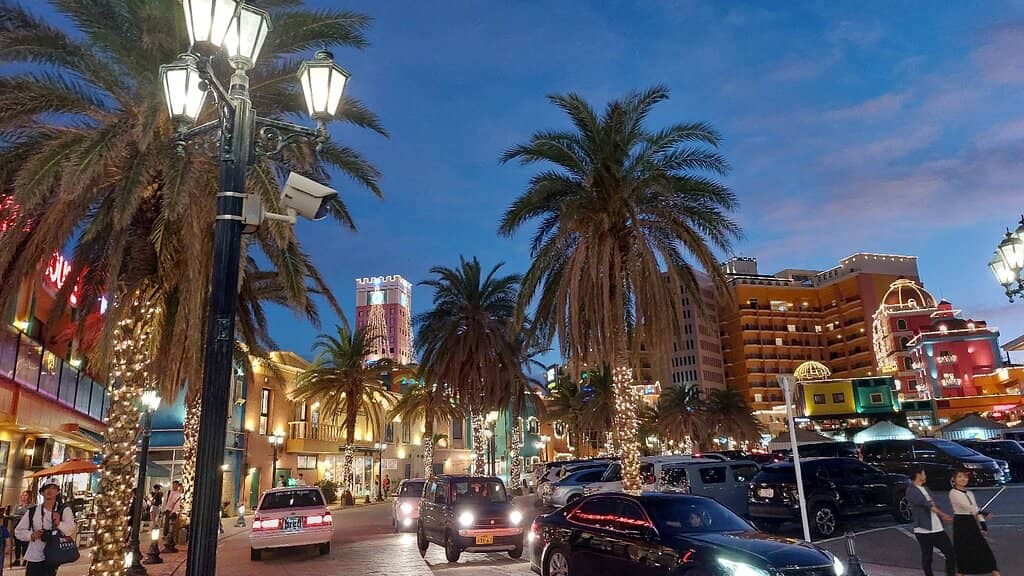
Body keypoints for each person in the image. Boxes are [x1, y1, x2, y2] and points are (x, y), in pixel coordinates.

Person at [14, 480, 77, 576]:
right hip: (35, 555)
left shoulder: (63, 510)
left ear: (58, 492)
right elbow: (18, 531)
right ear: (42, 492)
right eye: (47, 488)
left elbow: (70, 529)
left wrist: (59, 523)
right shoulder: (33, 511)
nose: (49, 491)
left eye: (53, 488)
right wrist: (31, 535)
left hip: (54, 555)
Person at [905, 466, 956, 576]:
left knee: (950, 553)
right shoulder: (911, 490)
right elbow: (927, 504)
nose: (925, 476)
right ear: (918, 475)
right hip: (923, 529)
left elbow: (934, 504)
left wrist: (939, 512)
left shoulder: (926, 489)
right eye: (924, 473)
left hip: (937, 527)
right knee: (927, 556)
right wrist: (942, 515)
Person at [949, 469, 1000, 575]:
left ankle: (993, 569)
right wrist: (983, 512)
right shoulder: (953, 493)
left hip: (970, 521)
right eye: (960, 477)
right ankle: (961, 572)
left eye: (965, 477)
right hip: (961, 522)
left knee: (982, 547)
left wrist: (983, 525)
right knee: (962, 549)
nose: (963, 479)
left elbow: (975, 509)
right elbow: (968, 507)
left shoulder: (969, 493)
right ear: (954, 479)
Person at [12, 490, 32, 567]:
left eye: (25, 495)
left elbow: (28, 516)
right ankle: (17, 560)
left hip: (26, 528)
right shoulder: (17, 506)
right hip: (17, 526)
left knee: (25, 545)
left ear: (29, 496)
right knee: (17, 545)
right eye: (22, 495)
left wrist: (20, 516)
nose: (23, 496)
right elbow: (14, 514)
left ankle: (25, 559)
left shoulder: (32, 506)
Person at [161, 480, 182, 552]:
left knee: (172, 525)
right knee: (166, 524)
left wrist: (173, 512)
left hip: (173, 512)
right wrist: (163, 509)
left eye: (176, 485)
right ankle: (166, 537)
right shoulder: (168, 492)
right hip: (167, 510)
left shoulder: (178, 494)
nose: (174, 486)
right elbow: (165, 501)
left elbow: (177, 504)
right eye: (173, 485)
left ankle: (170, 539)